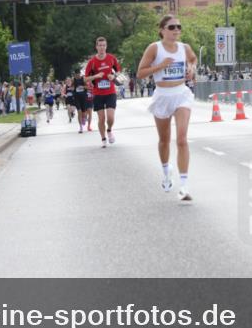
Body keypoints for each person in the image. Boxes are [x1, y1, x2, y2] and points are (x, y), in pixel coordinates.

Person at [136, 14, 197, 203]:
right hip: (162, 95)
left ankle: (184, 186)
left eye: (179, 27)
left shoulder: (184, 48)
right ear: (162, 30)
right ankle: (166, 171)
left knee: (181, 139)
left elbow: (193, 59)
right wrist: (160, 66)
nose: (176, 30)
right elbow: (140, 73)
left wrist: (192, 68)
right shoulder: (154, 48)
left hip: (181, 94)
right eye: (172, 27)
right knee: (164, 140)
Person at [84, 36, 121, 148]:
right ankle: (103, 138)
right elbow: (85, 79)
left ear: (106, 46)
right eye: (100, 45)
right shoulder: (92, 62)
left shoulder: (111, 58)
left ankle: (109, 130)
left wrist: (113, 75)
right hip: (98, 94)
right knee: (101, 119)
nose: (102, 48)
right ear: (96, 47)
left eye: (104, 45)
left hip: (110, 92)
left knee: (110, 117)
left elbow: (119, 71)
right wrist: (96, 76)